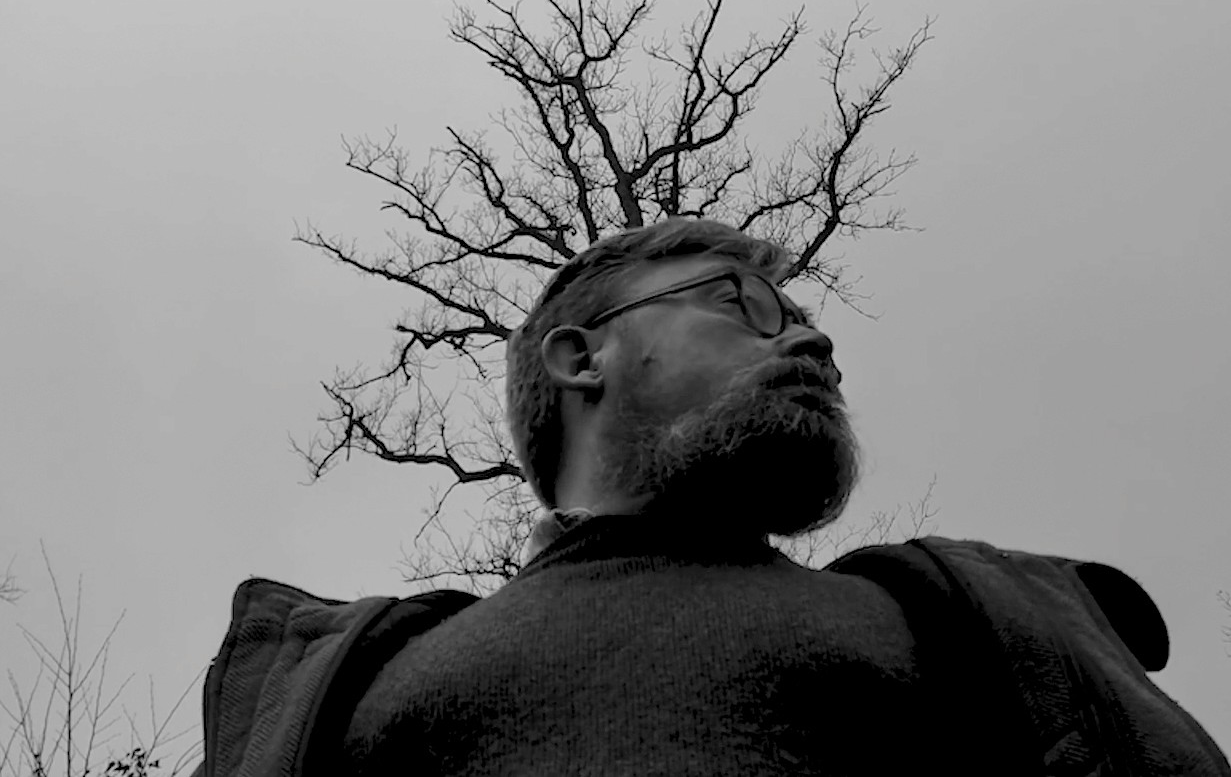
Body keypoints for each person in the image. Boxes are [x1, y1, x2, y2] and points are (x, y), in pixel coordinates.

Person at [192, 218, 1229, 776]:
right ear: (579, 358)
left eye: (805, 319)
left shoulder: (972, 634)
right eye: (745, 305)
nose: (811, 338)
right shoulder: (340, 688)